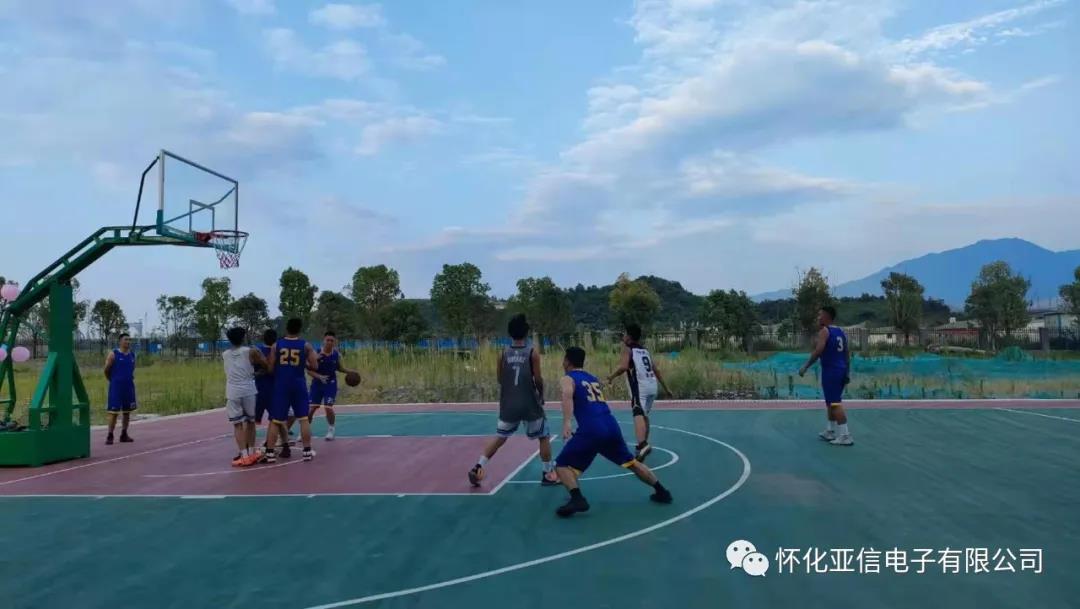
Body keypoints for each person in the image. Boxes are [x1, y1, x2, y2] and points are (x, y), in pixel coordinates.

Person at [554, 346, 673, 517]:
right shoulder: (592, 378)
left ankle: (577, 499)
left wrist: (566, 422)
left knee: (561, 464)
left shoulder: (568, 378)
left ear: (567, 361)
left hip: (592, 429)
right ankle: (662, 491)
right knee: (632, 462)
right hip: (610, 425)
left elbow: (567, 394)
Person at [469, 314, 559, 487]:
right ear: (526, 333)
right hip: (529, 403)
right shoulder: (532, 352)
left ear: (510, 333)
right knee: (543, 436)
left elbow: (500, 379)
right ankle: (548, 473)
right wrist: (541, 395)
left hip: (509, 404)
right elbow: (538, 379)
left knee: (500, 437)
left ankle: (478, 466)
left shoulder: (503, 354)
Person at [606, 323, 670, 462]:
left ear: (629, 337)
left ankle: (642, 444)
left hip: (640, 386)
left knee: (637, 412)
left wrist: (611, 376)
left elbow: (623, 367)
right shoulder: (644, 351)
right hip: (652, 385)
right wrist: (666, 388)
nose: (623, 336)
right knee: (643, 415)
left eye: (624, 334)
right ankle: (643, 446)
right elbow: (656, 370)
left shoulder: (627, 349)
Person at [264, 318, 326, 463]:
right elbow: (315, 366)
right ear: (299, 329)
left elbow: (270, 368)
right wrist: (303, 363)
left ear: (287, 328)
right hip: (298, 384)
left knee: (275, 420)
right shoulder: (306, 345)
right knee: (303, 418)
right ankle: (306, 451)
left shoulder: (276, 345)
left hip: (281, 384)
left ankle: (270, 453)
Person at [799, 306, 854, 446]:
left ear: (826, 317)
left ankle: (845, 435)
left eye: (820, 315)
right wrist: (847, 372)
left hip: (832, 371)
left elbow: (818, 351)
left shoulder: (825, 331)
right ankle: (830, 431)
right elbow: (847, 353)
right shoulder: (840, 331)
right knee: (831, 402)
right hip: (840, 370)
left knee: (835, 403)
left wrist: (805, 366)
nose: (818, 317)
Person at [222, 327, 269, 467]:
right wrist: (257, 371)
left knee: (237, 425)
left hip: (232, 391)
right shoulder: (251, 351)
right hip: (248, 390)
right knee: (250, 422)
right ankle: (251, 452)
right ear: (243, 338)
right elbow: (265, 364)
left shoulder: (225, 354)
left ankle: (244, 455)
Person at [307, 331, 360, 441]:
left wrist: (350, 372)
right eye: (328, 340)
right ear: (323, 341)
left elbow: (339, 368)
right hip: (317, 383)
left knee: (328, 407)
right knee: (312, 408)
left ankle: (331, 429)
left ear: (334, 342)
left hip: (330, 383)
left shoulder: (335, 354)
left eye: (332, 340)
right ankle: (306, 429)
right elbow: (309, 371)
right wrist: (319, 377)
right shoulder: (316, 353)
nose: (330, 342)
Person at [104, 333, 137, 445]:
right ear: (120, 341)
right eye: (125, 340)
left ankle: (124, 434)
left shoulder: (132, 355)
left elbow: (132, 369)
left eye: (129, 340)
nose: (128, 342)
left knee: (127, 412)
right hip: (116, 387)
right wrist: (113, 380)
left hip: (128, 387)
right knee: (113, 412)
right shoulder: (113, 354)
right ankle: (110, 435)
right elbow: (106, 370)